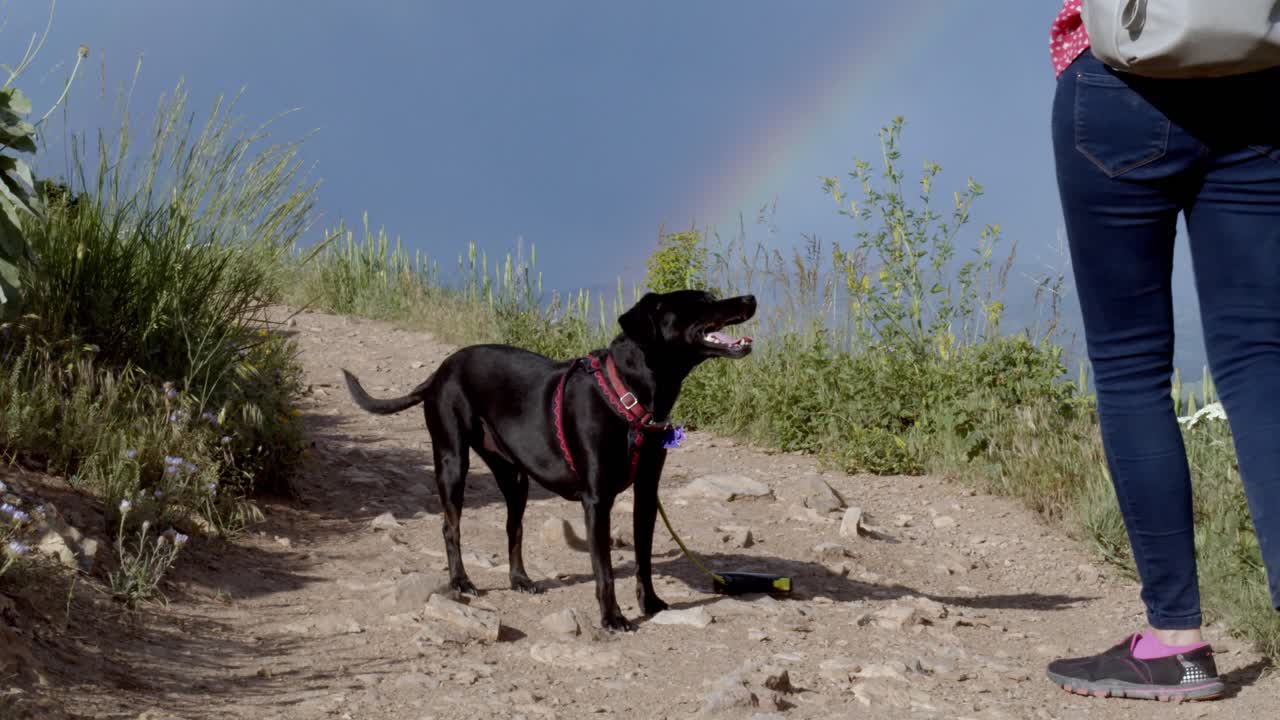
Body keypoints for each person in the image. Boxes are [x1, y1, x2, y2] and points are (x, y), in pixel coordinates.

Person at [1045, 0, 1280, 702]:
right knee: (1262, 359)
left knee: (1130, 367)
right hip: (1262, 82)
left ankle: (1175, 643)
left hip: (1124, 86)